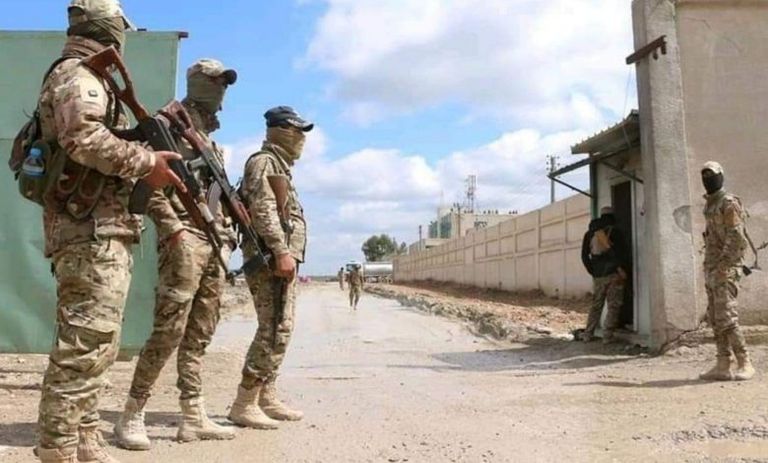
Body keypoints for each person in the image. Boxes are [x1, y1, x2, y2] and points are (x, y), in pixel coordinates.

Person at [34, 1, 183, 461]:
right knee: (83, 346)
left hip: (102, 228)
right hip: (89, 231)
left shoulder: (91, 76)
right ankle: (57, 448)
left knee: (99, 345)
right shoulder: (77, 75)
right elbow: (83, 139)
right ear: (108, 27)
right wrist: (146, 162)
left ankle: (85, 439)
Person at [115, 59, 239, 450]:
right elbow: (143, 181)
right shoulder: (167, 125)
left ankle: (193, 414)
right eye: (215, 83)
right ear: (197, 83)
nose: (221, 92)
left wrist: (226, 233)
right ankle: (132, 412)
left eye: (224, 85)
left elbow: (213, 195)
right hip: (184, 240)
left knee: (201, 331)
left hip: (211, 240)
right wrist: (174, 230)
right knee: (168, 331)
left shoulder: (207, 138)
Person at [228, 106, 312, 429]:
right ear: (282, 131)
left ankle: (266, 395)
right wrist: (281, 251)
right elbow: (263, 210)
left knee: (281, 328)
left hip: (278, 258)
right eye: (297, 131)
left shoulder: (279, 166)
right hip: (268, 259)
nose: (301, 139)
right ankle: (244, 402)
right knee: (272, 329)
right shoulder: (263, 162)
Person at [699, 161, 755, 381]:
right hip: (712, 268)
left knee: (727, 317)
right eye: (704, 176)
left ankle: (745, 362)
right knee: (715, 317)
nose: (707, 179)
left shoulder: (728, 202)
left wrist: (723, 265)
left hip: (726, 268)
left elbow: (736, 237)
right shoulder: (710, 204)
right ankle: (723, 364)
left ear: (721, 176)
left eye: (711, 175)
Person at [580, 206, 630, 344]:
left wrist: (593, 271)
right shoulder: (616, 232)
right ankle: (607, 336)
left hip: (598, 275)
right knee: (614, 305)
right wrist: (621, 269)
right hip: (614, 274)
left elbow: (584, 256)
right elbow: (622, 254)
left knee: (596, 305)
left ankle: (588, 334)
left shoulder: (589, 234)